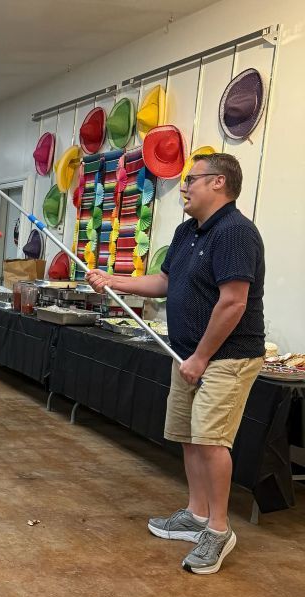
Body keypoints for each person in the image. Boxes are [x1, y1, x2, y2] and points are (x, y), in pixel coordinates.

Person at [86, 153, 264, 575]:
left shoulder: (236, 233)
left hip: (225, 357)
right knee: (187, 434)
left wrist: (201, 358)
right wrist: (114, 281)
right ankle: (196, 513)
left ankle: (219, 530)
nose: (184, 187)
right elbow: (164, 282)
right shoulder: (188, 232)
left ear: (219, 183)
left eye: (192, 179)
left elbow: (234, 301)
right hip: (185, 353)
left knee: (209, 440)